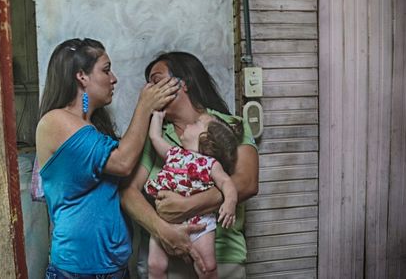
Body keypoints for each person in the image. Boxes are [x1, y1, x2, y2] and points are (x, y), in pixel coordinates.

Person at [35, 38, 181, 278]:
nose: (114, 78)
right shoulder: (55, 121)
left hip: (115, 268)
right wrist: (144, 107)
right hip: (78, 271)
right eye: (106, 70)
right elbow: (123, 162)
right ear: (82, 76)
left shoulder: (91, 127)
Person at [120, 51, 259, 279]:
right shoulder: (153, 137)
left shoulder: (228, 126)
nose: (149, 90)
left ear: (183, 84)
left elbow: (246, 182)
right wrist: (164, 230)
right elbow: (128, 193)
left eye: (156, 80)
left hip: (220, 257)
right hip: (166, 257)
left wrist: (188, 205)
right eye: (147, 85)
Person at [144, 110, 244, 279]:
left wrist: (230, 203)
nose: (189, 124)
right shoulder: (174, 153)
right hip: (167, 222)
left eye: (196, 124)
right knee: (155, 265)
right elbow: (155, 137)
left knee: (208, 267)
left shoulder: (210, 164)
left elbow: (227, 183)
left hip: (200, 223)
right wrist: (158, 117)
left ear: (206, 139)